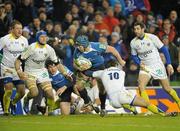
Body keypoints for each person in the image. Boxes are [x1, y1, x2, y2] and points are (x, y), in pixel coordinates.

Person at [14, 30, 72, 115]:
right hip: (30, 72)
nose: (44, 38)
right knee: (34, 93)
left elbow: (57, 64)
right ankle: (26, 99)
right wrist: (19, 71)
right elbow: (18, 60)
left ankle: (49, 112)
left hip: (42, 72)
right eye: (42, 37)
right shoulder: (31, 47)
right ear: (38, 38)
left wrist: (65, 74)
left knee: (50, 94)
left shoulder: (49, 49)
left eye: (45, 37)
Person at [92, 60, 177, 117]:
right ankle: (164, 114)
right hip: (123, 96)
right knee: (146, 103)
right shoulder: (122, 72)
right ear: (116, 65)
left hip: (113, 102)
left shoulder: (102, 72)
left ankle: (131, 108)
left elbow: (91, 74)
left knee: (124, 95)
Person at [130, 22, 180, 111]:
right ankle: (150, 110)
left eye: (138, 29)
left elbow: (164, 49)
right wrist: (139, 63)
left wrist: (169, 64)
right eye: (135, 29)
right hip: (145, 67)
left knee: (167, 88)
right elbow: (134, 56)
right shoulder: (133, 42)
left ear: (143, 29)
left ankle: (179, 103)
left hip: (157, 65)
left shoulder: (152, 37)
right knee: (141, 87)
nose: (136, 31)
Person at [73, 35, 125, 116]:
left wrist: (120, 60)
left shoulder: (97, 46)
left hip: (99, 68)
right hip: (86, 70)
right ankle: (87, 102)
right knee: (79, 86)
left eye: (79, 46)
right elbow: (74, 63)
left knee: (102, 89)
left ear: (84, 45)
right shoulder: (77, 51)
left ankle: (103, 108)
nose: (77, 47)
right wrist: (79, 67)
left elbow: (112, 49)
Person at [0, 20, 29, 115]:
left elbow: (26, 56)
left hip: (18, 69)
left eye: (21, 28)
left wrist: (25, 70)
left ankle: (13, 103)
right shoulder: (5, 39)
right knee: (8, 88)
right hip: (6, 68)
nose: (20, 31)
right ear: (12, 29)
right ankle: (6, 111)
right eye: (17, 28)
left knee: (22, 92)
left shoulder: (24, 40)